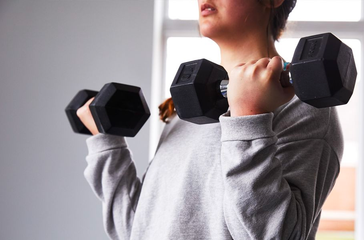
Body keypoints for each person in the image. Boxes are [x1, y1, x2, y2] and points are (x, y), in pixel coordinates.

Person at [76, 0, 343, 239]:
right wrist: (107, 144)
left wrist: (249, 117)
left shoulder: (303, 107)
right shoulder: (187, 110)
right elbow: (137, 228)